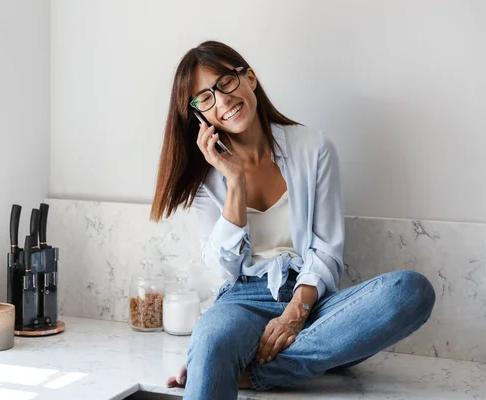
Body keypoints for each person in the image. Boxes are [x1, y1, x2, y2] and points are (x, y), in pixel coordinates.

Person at [149, 41, 435, 399]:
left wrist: (296, 312)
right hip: (241, 301)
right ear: (199, 115)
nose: (222, 101)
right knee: (213, 335)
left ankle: (251, 373)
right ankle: (258, 358)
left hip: (313, 302)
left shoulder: (313, 148)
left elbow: (327, 250)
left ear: (249, 78)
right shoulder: (204, 178)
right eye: (204, 98)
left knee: (410, 291)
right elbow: (223, 270)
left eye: (225, 82)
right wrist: (234, 181)